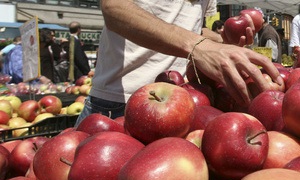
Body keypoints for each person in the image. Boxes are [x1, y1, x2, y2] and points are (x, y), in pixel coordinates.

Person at [75, 0, 283, 126]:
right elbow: (114, 9)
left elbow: (192, 29)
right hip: (118, 104)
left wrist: (221, 42)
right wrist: (198, 46)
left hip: (181, 102)